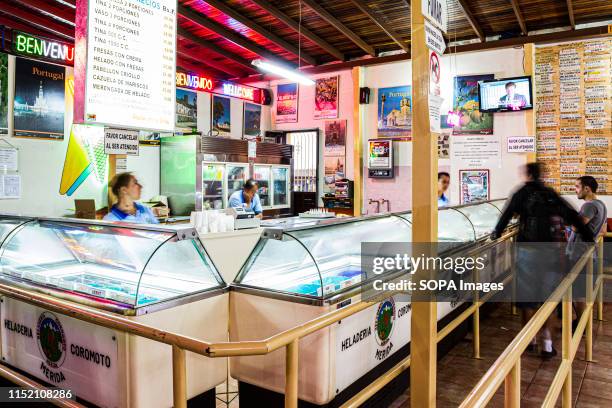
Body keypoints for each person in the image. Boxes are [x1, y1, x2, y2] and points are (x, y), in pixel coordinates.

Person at [492, 163, 593, 359]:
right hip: (551, 254)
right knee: (550, 299)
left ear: (528, 174)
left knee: (527, 299)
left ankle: (529, 341)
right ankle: (547, 345)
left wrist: (496, 233)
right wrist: (588, 238)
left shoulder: (521, 193)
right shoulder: (550, 194)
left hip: (527, 252)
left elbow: (505, 215)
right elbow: (572, 215)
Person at [569, 176, 607, 327]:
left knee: (577, 294)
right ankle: (582, 323)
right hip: (589, 253)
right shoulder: (601, 204)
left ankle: (581, 325)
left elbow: (575, 227)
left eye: (577, 186)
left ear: (587, 189)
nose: (575, 189)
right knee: (580, 292)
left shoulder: (589, 206)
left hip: (580, 254)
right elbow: (603, 230)